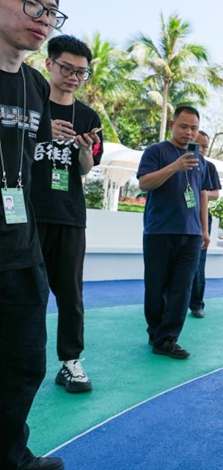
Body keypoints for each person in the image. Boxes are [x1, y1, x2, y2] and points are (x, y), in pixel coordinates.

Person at [0, 0, 66, 470]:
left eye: (54, 11)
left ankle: (10, 457)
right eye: (33, 4)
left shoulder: (35, 85)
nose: (44, 17)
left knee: (25, 363)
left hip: (23, 248)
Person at [30, 34, 103, 394]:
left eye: (81, 72)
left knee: (71, 293)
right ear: (49, 64)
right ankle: (21, 359)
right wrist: (44, 135)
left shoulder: (88, 116)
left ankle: (70, 362)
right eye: (67, 68)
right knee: (24, 291)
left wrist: (84, 149)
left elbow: (87, 169)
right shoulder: (30, 102)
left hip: (70, 214)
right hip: (27, 213)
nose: (74, 77)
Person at [137, 106, 212, 360]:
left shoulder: (200, 160)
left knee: (182, 288)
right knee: (156, 287)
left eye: (194, 128)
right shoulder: (156, 152)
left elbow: (202, 194)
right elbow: (145, 183)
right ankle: (155, 330)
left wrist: (203, 229)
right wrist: (174, 167)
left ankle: (168, 338)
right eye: (184, 126)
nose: (189, 132)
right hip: (159, 230)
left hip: (191, 234)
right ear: (172, 125)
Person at [188, 130, 220, 318]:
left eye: (205, 146)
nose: (201, 149)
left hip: (201, 219)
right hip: (182, 218)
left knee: (198, 264)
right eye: (198, 145)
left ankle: (197, 303)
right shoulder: (180, 162)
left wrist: (202, 193)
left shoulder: (209, 167)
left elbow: (215, 192)